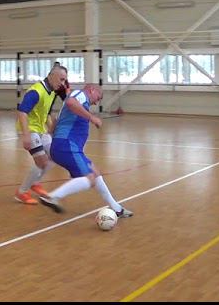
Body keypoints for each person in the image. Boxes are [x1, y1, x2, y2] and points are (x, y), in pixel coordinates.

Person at [38, 83, 134, 218]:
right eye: (98, 97)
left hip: (66, 146)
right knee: (90, 179)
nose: (96, 102)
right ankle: (52, 196)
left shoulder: (79, 103)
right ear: (92, 90)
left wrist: (51, 138)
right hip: (67, 145)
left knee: (96, 173)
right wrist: (92, 117)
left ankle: (116, 208)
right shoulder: (80, 95)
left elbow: (58, 120)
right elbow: (71, 102)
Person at [14, 64, 68, 205]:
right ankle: (22, 192)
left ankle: (35, 182)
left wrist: (51, 128)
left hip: (40, 129)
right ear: (51, 76)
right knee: (42, 162)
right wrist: (26, 135)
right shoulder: (36, 91)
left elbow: (46, 113)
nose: (63, 83)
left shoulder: (52, 92)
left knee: (56, 155)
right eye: (61, 79)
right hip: (29, 129)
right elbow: (22, 112)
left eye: (64, 80)